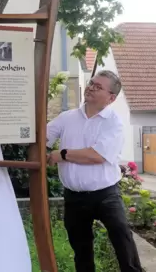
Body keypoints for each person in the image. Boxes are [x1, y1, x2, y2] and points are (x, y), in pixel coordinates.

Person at [46, 70, 142, 272]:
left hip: (105, 194)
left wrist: (61, 154)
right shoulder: (67, 118)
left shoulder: (114, 122)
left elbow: (96, 156)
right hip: (74, 197)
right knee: (81, 250)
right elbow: (41, 140)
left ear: (111, 98)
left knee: (122, 238)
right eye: (91, 83)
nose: (90, 87)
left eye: (98, 87)